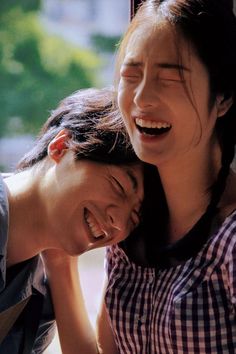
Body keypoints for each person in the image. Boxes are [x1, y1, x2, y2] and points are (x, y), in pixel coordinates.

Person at [44, 0, 236, 353]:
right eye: (130, 77)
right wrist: (58, 259)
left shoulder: (229, 239)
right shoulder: (130, 222)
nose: (142, 98)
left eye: (170, 78)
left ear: (222, 97)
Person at [0, 87, 144, 353]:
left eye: (134, 218)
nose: (119, 223)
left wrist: (61, 265)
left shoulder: (38, 296)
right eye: (119, 186)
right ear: (61, 146)